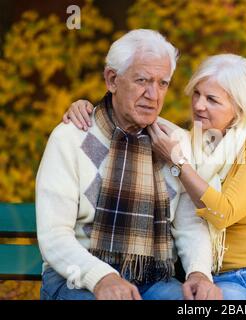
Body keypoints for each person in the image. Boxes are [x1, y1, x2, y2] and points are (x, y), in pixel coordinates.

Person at [64, 53, 246, 300]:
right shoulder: (189, 143)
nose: (199, 105)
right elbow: (131, 114)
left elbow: (224, 213)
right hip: (225, 278)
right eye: (196, 95)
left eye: (212, 99)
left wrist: (177, 161)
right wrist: (89, 108)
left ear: (238, 107)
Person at [36, 29, 222, 300]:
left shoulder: (174, 144)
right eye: (142, 80)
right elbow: (55, 236)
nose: (153, 95)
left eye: (163, 83)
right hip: (76, 276)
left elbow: (189, 225)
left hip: (152, 280)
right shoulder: (70, 138)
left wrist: (198, 272)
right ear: (112, 79)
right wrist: (102, 278)